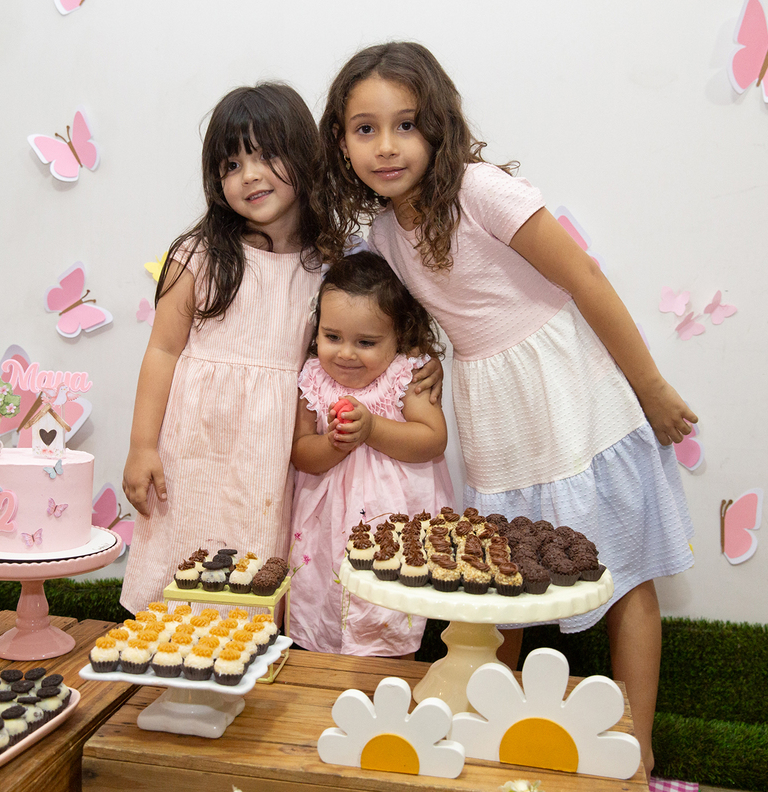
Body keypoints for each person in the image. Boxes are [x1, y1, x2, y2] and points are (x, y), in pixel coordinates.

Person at [320, 42, 696, 774]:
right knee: (500, 581)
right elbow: (410, 324)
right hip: (495, 410)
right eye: (365, 129)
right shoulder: (386, 236)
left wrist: (650, 386)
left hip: (570, 388)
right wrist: (418, 371)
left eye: (405, 124)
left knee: (624, 571)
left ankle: (638, 755)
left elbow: (584, 278)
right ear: (341, 142)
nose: (386, 146)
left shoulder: (480, 190)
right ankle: (486, 741)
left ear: (438, 125)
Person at [120, 82, 442, 616]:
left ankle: (245, 652)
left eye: (265, 156)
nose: (249, 175)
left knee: (254, 567)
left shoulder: (332, 264)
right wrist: (141, 447)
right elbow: (162, 353)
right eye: (231, 164)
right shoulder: (198, 256)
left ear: (303, 156)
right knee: (181, 560)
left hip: (271, 451)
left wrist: (422, 362)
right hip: (195, 445)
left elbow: (385, 321)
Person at [288, 250, 455, 658]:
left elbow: (433, 439)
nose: (346, 353)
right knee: (324, 601)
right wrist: (333, 442)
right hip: (327, 525)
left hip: (392, 526)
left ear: (399, 337)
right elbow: (301, 453)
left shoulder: (405, 376)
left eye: (366, 342)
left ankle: (392, 684)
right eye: (332, 337)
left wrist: (373, 428)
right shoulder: (312, 379)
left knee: (391, 611)